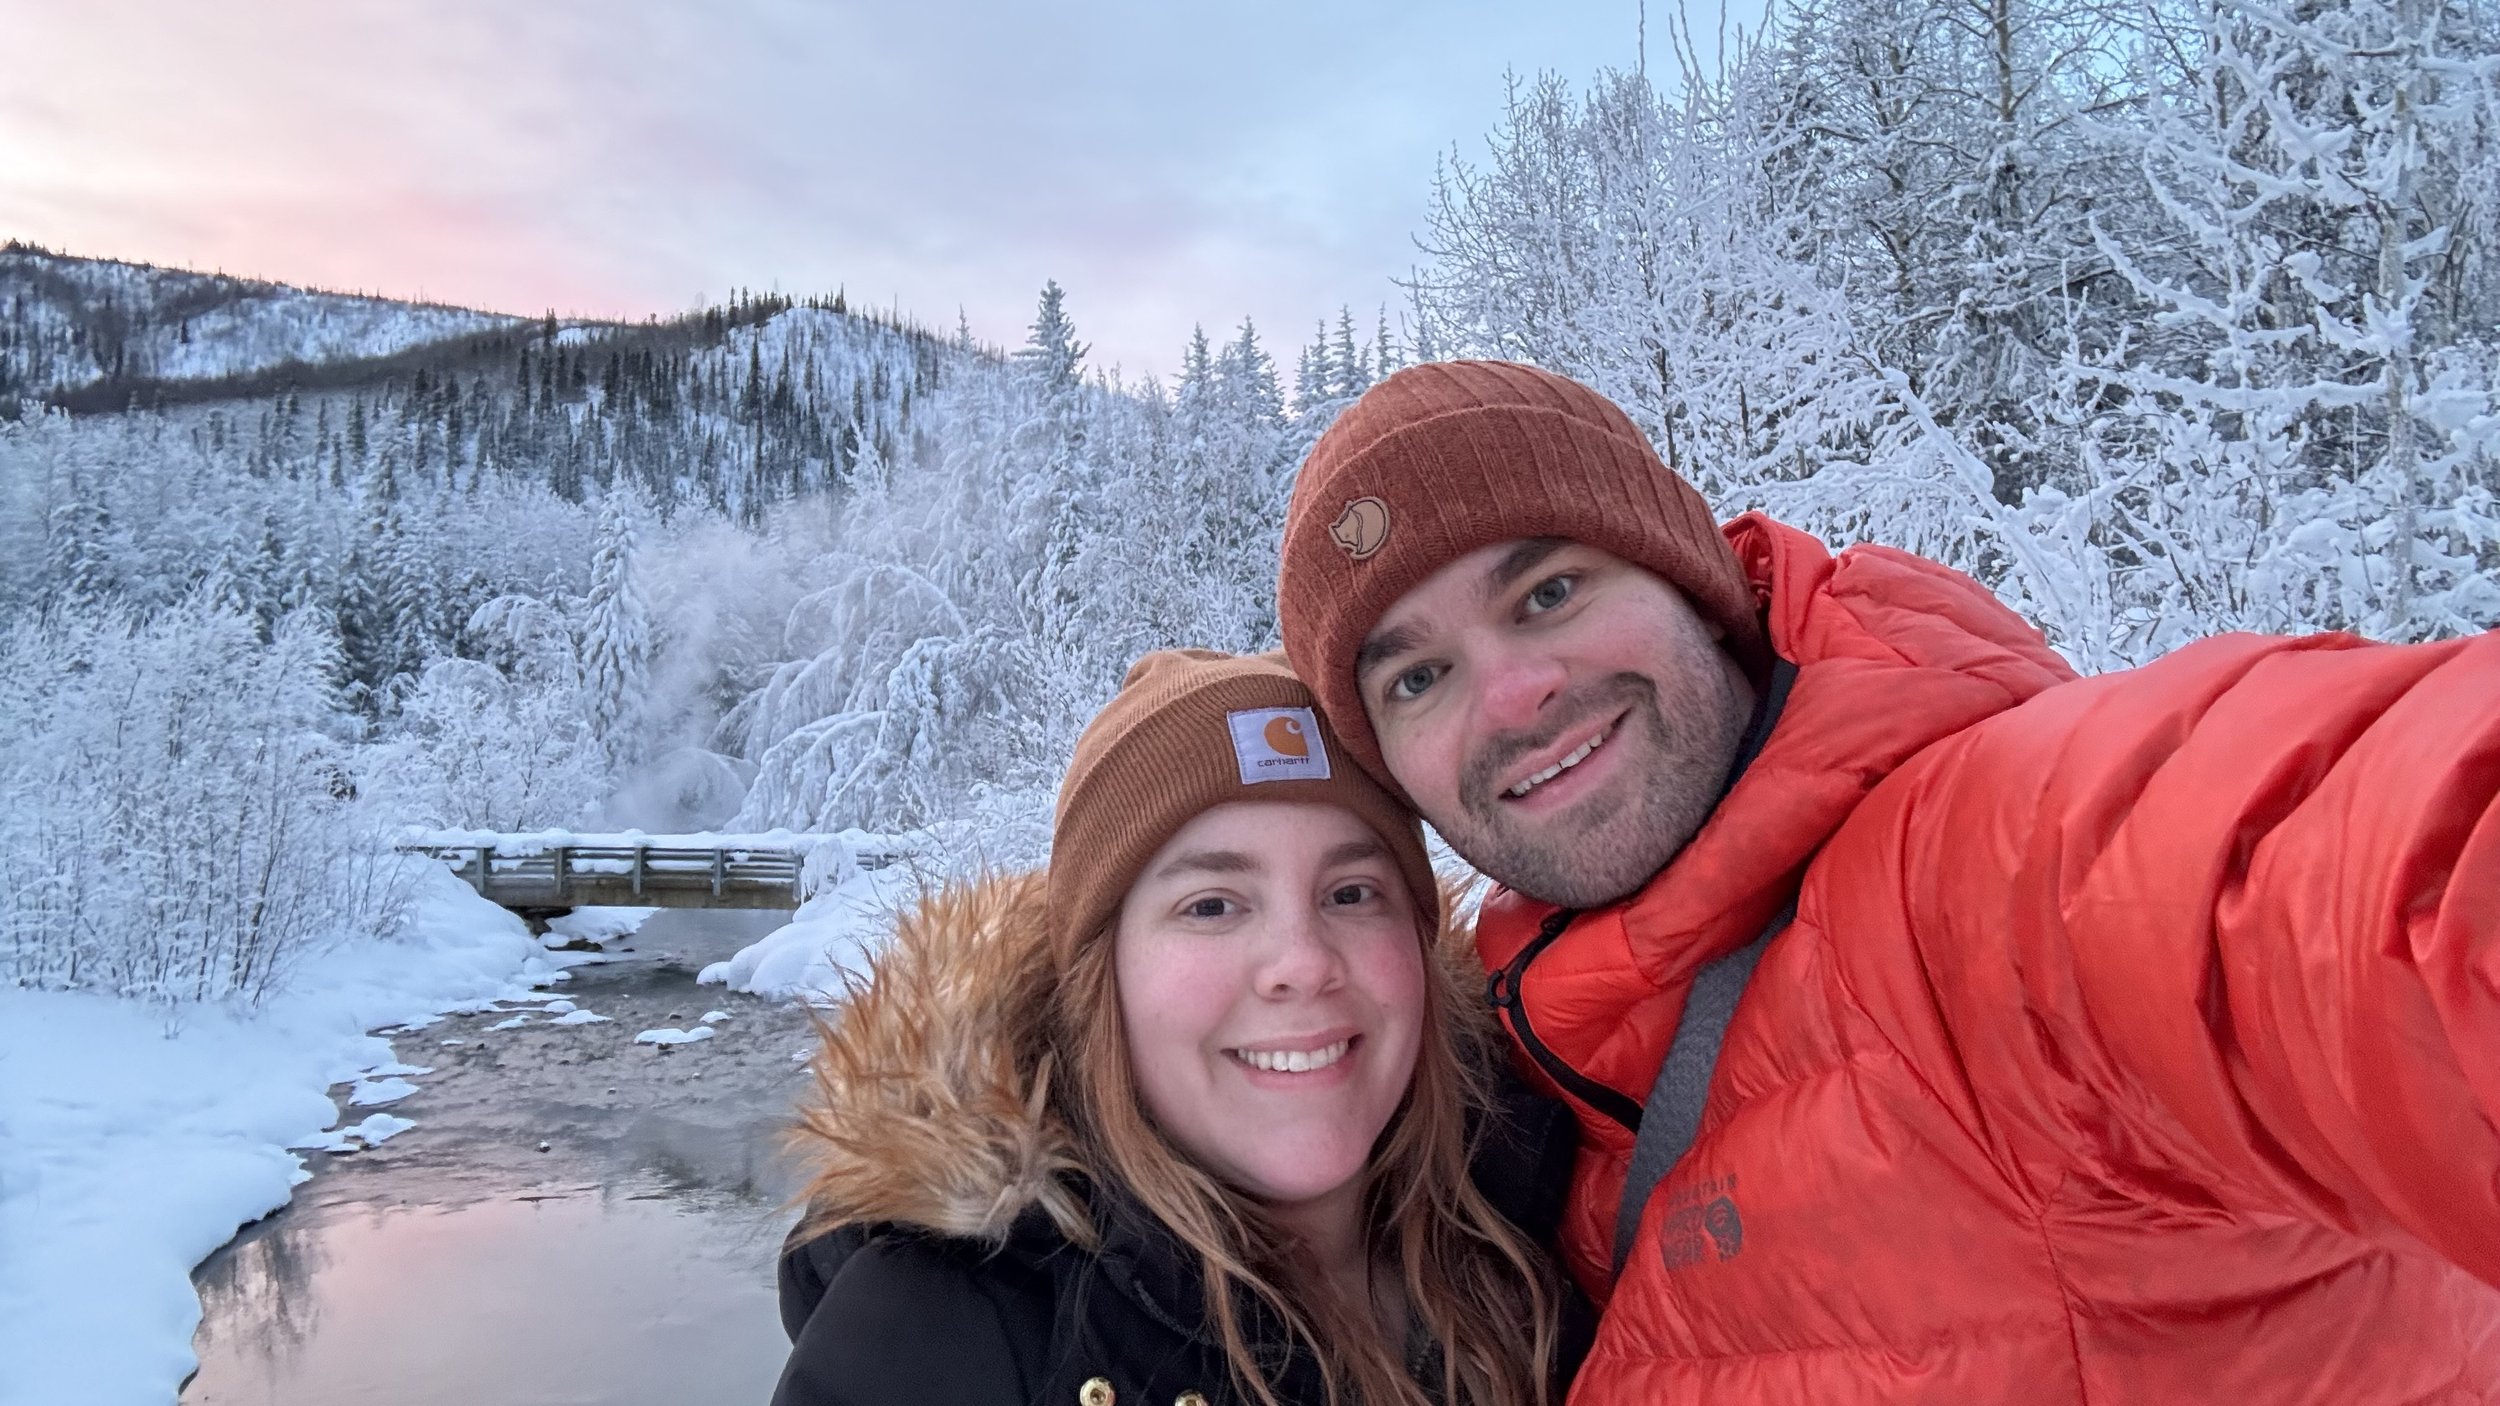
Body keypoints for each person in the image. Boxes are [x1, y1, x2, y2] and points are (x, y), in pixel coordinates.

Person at [1273, 359, 2500, 1404]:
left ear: (1695, 589)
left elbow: (2350, 869)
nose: (1511, 698)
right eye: (1416, 679)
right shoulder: (1526, 1081)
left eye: (1548, 592)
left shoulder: (1998, 873)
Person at [771, 650, 1584, 1406]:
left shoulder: (1556, 1214)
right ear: (1102, 981)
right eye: (1211, 905)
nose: (1301, 962)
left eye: (1351, 893)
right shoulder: (938, 1334)